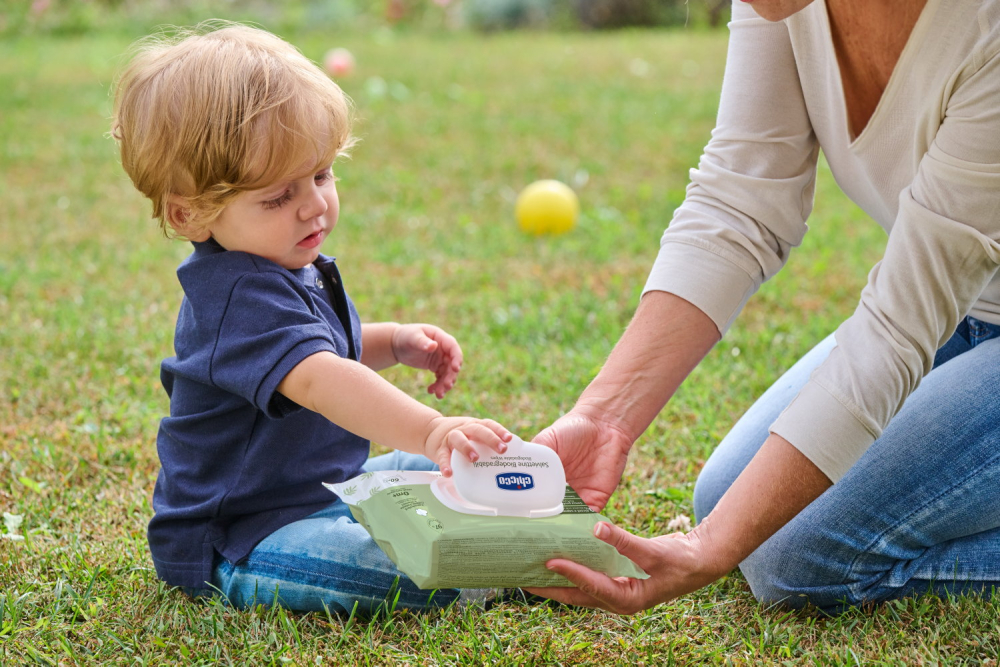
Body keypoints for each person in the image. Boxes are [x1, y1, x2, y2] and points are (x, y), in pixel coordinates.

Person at [528, 0, 1000, 615]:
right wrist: (605, 418)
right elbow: (741, 200)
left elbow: (898, 326)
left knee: (797, 562)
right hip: (963, 308)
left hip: (940, 309)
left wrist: (709, 548)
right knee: (727, 499)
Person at [110, 22, 513, 614]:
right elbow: (320, 379)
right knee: (404, 569)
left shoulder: (285, 262)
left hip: (329, 487)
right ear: (190, 214)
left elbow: (323, 350)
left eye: (321, 175)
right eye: (278, 196)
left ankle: (510, 520)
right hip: (246, 535)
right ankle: (497, 566)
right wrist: (431, 429)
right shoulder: (235, 297)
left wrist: (394, 342)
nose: (314, 204)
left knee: (458, 466)